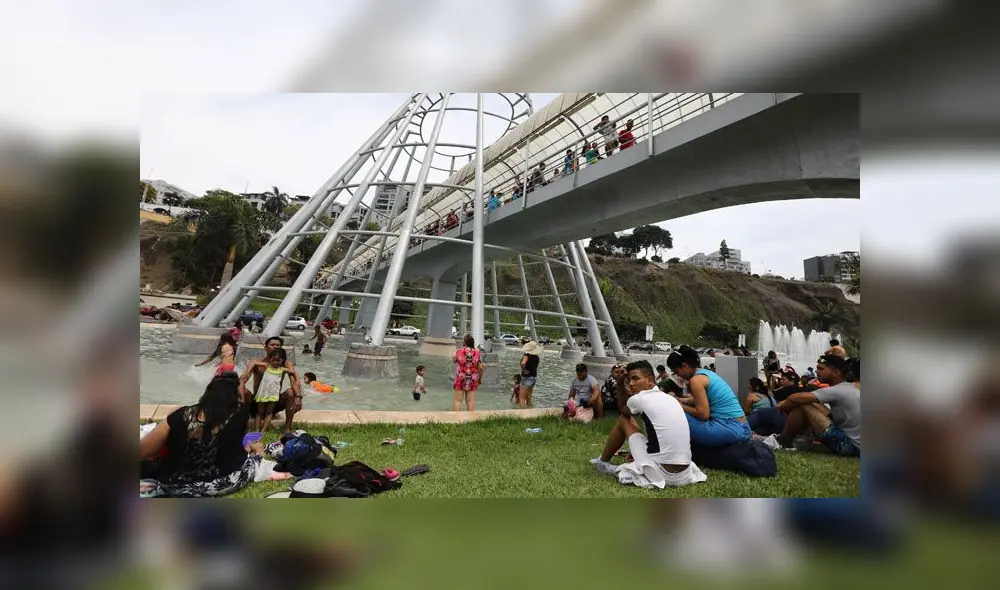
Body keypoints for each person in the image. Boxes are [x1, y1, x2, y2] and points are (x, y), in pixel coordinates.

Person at [139, 374, 263, 497]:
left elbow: (144, 450)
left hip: (176, 487)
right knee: (257, 451)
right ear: (235, 397)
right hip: (224, 483)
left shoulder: (179, 415)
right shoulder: (241, 412)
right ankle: (259, 451)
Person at [590, 360, 707, 488]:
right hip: (684, 474)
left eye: (635, 379)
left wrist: (620, 383)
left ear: (650, 381)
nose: (631, 383)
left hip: (661, 473)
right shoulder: (669, 398)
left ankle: (602, 462)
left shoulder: (639, 399)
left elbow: (623, 409)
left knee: (624, 419)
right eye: (629, 380)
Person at [776, 354, 861, 456]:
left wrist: (783, 407)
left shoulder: (837, 390)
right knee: (808, 403)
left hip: (851, 446)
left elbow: (794, 398)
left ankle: (782, 441)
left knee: (802, 404)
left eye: (821, 369)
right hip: (855, 444)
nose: (816, 371)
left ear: (836, 373)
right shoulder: (849, 387)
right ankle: (789, 439)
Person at [667, 346, 751, 447]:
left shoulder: (696, 380)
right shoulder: (707, 373)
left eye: (676, 372)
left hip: (730, 428)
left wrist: (680, 405)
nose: (677, 376)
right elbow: (700, 400)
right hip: (743, 427)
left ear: (685, 366)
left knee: (676, 413)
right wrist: (680, 400)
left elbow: (703, 414)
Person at [238, 336, 302, 434]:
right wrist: (240, 397)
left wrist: (298, 396)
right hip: (257, 402)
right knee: (245, 392)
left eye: (278, 345)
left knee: (290, 392)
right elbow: (243, 378)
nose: (275, 347)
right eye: (272, 345)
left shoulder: (286, 364)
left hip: (274, 402)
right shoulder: (257, 363)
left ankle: (287, 429)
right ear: (266, 347)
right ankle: (242, 426)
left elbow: (294, 381)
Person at [245, 348, 294, 433]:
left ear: (282, 360)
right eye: (273, 360)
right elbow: (254, 363)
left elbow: (292, 371)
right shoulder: (267, 366)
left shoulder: (282, 369)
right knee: (259, 412)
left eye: (278, 360)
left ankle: (263, 430)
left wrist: (287, 364)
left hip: (273, 394)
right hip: (263, 393)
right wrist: (248, 371)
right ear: (270, 359)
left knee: (269, 412)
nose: (275, 362)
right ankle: (256, 429)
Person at [453, 334, 483, 411]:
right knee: (470, 400)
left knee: (458, 400)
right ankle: (470, 419)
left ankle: (456, 419)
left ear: (465, 342)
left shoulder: (460, 351)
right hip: (472, 378)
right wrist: (480, 379)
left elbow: (454, 360)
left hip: (461, 377)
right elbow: (480, 367)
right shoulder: (477, 352)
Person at [518, 340, 544, 408]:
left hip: (526, 378)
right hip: (534, 378)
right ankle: (531, 410)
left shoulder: (526, 356)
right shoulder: (537, 357)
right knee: (528, 398)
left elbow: (523, 363)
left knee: (521, 398)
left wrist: (524, 370)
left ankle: (522, 414)